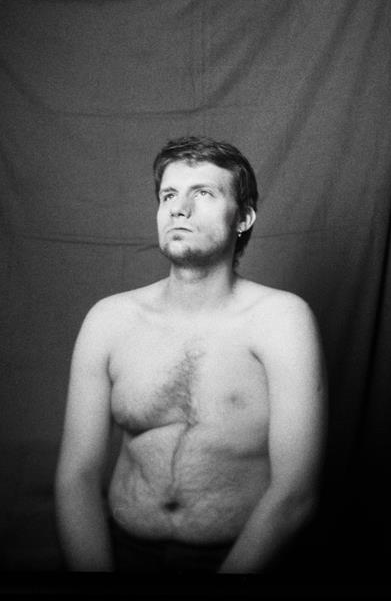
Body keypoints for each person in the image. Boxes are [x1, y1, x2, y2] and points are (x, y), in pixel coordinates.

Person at [55, 136, 326, 574]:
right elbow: (77, 476)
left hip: (239, 560)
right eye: (169, 195)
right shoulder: (109, 320)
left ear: (244, 217)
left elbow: (296, 493)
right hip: (124, 555)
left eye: (203, 193)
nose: (179, 209)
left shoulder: (282, 321)